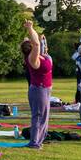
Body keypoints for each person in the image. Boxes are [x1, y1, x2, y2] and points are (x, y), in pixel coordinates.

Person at [21, 21, 52, 149]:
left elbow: (39, 44)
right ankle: (34, 143)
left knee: (43, 117)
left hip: (44, 90)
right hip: (39, 90)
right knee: (39, 117)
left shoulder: (40, 56)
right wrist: (30, 28)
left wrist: (39, 37)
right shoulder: (32, 59)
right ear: (32, 48)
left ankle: (39, 140)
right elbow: (37, 44)